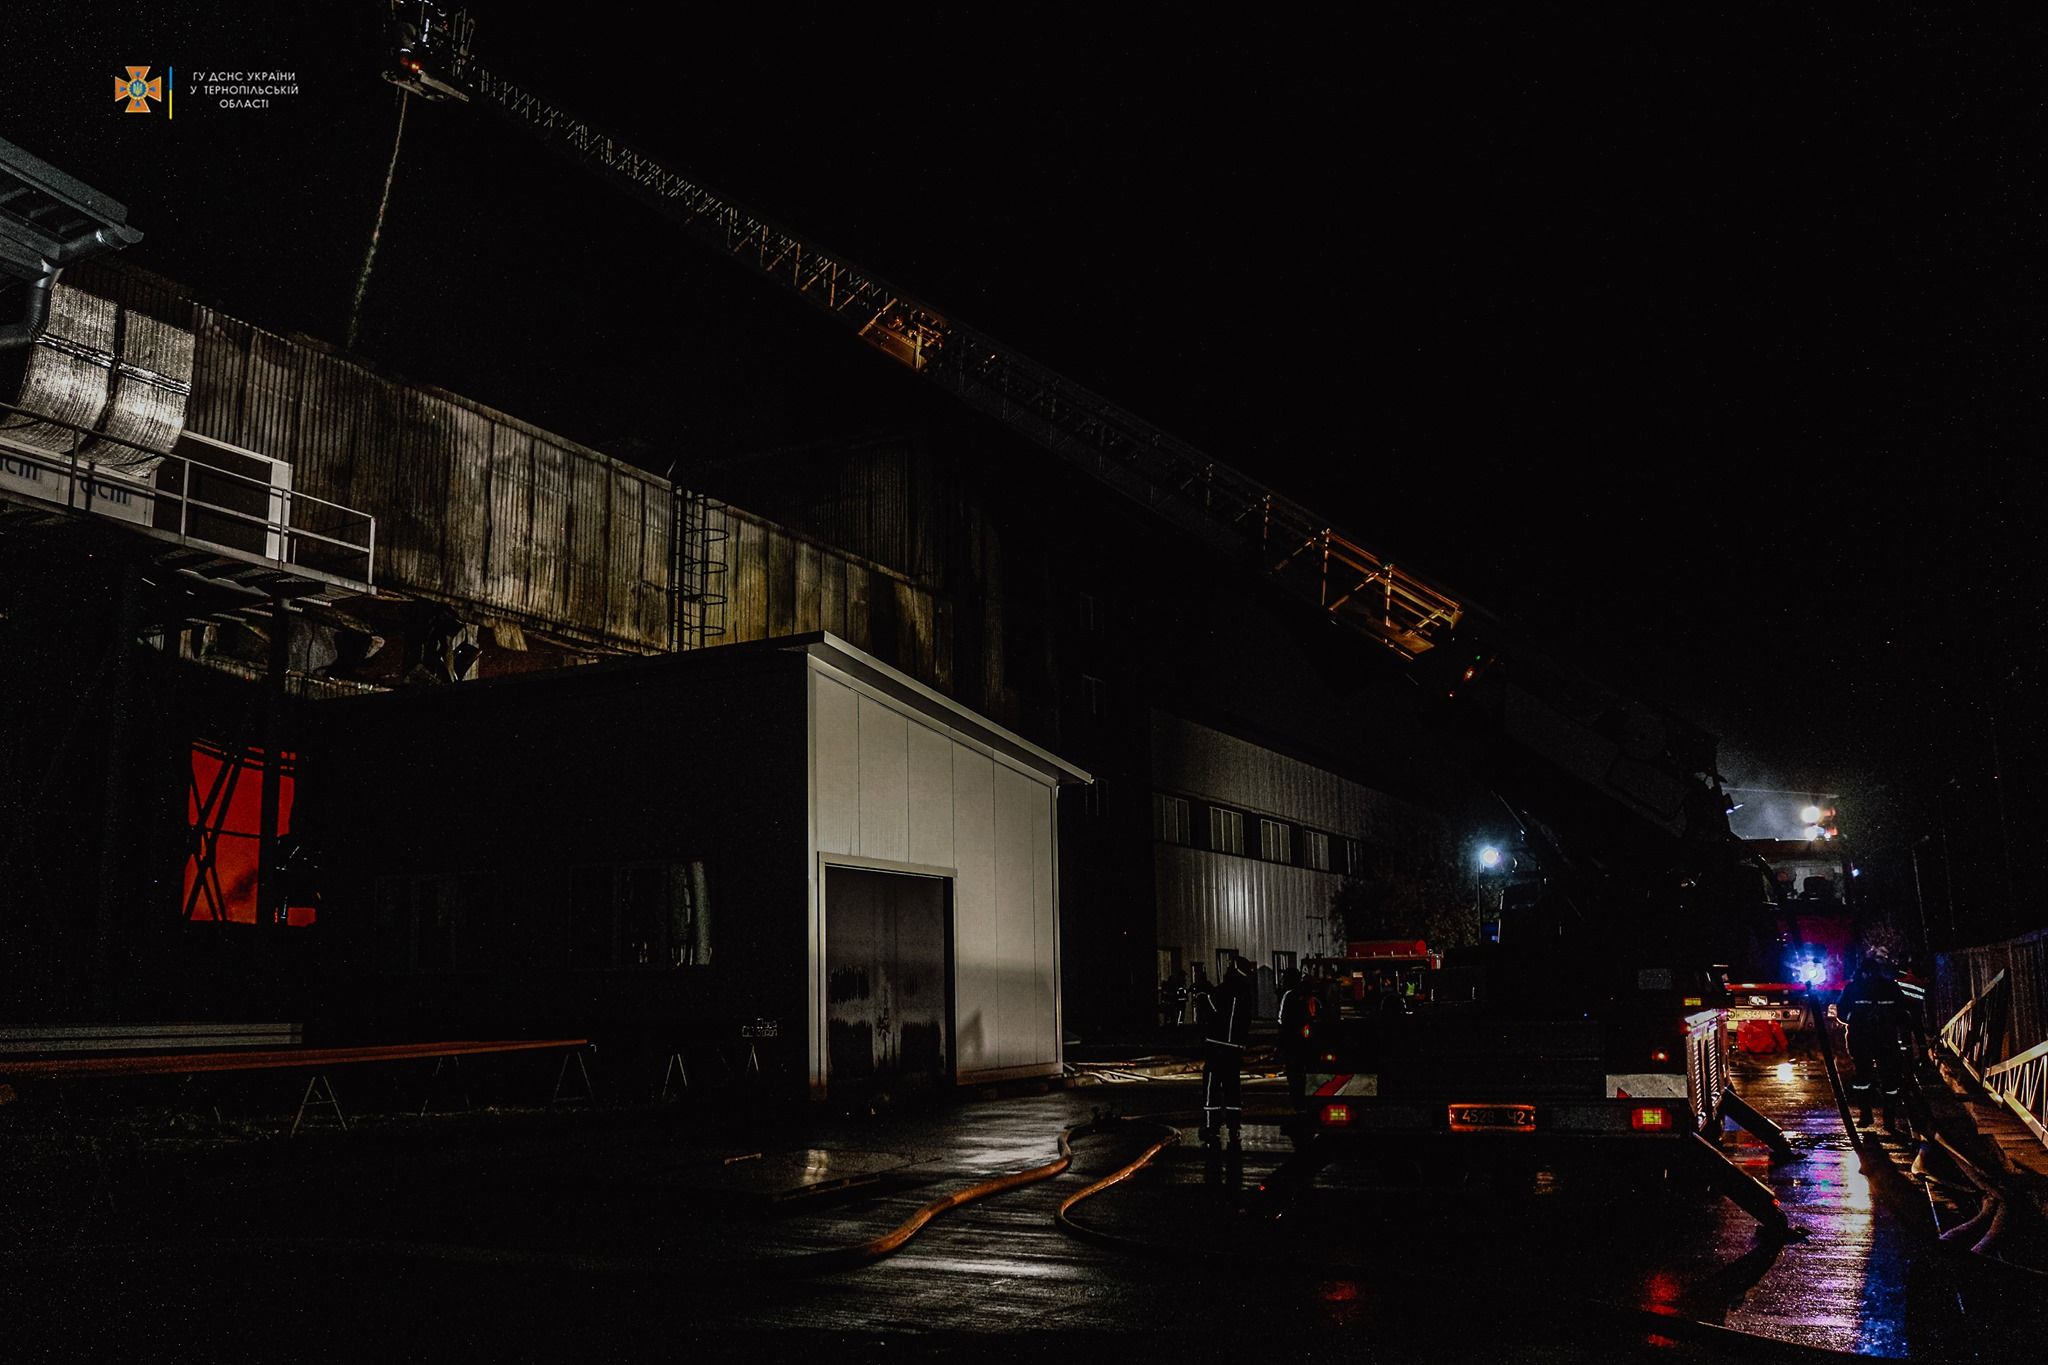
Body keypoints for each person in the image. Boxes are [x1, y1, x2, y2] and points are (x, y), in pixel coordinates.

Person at [1838, 951, 1911, 1128]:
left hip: (1875, 1039)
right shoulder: (1856, 988)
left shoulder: (1884, 988)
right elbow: (1842, 1012)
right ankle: (1874, 1116)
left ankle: (1883, 1117)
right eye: (1867, 973)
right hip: (1869, 1039)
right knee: (1870, 1078)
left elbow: (1902, 1012)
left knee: (1882, 1079)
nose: (1869, 976)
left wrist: (1885, 1019)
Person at [1196, 954, 1256, 1148]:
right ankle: (1233, 1125)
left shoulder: (1225, 990)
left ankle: (1210, 1126)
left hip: (1216, 1046)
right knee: (1232, 1087)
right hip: (1235, 1048)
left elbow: (1212, 1009)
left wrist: (1203, 993)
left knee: (1212, 1087)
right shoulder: (1247, 993)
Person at [1276, 965, 1312, 1113]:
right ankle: (1304, 1104)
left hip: (1292, 1043)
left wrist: (1280, 1045)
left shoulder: (1288, 995)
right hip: (1303, 1042)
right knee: (1302, 1076)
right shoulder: (1304, 994)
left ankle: (1299, 1107)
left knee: (1294, 1077)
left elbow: (1282, 1020)